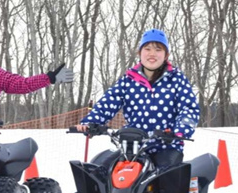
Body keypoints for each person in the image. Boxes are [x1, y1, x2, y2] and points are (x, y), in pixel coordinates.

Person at [75, 28, 199, 170]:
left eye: (158, 49)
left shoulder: (176, 79)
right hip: (131, 147)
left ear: (166, 55)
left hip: (166, 147)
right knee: (101, 173)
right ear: (140, 53)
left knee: (166, 179)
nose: (152, 54)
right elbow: (108, 103)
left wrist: (179, 131)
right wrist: (91, 123)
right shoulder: (129, 80)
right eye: (147, 49)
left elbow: (189, 109)